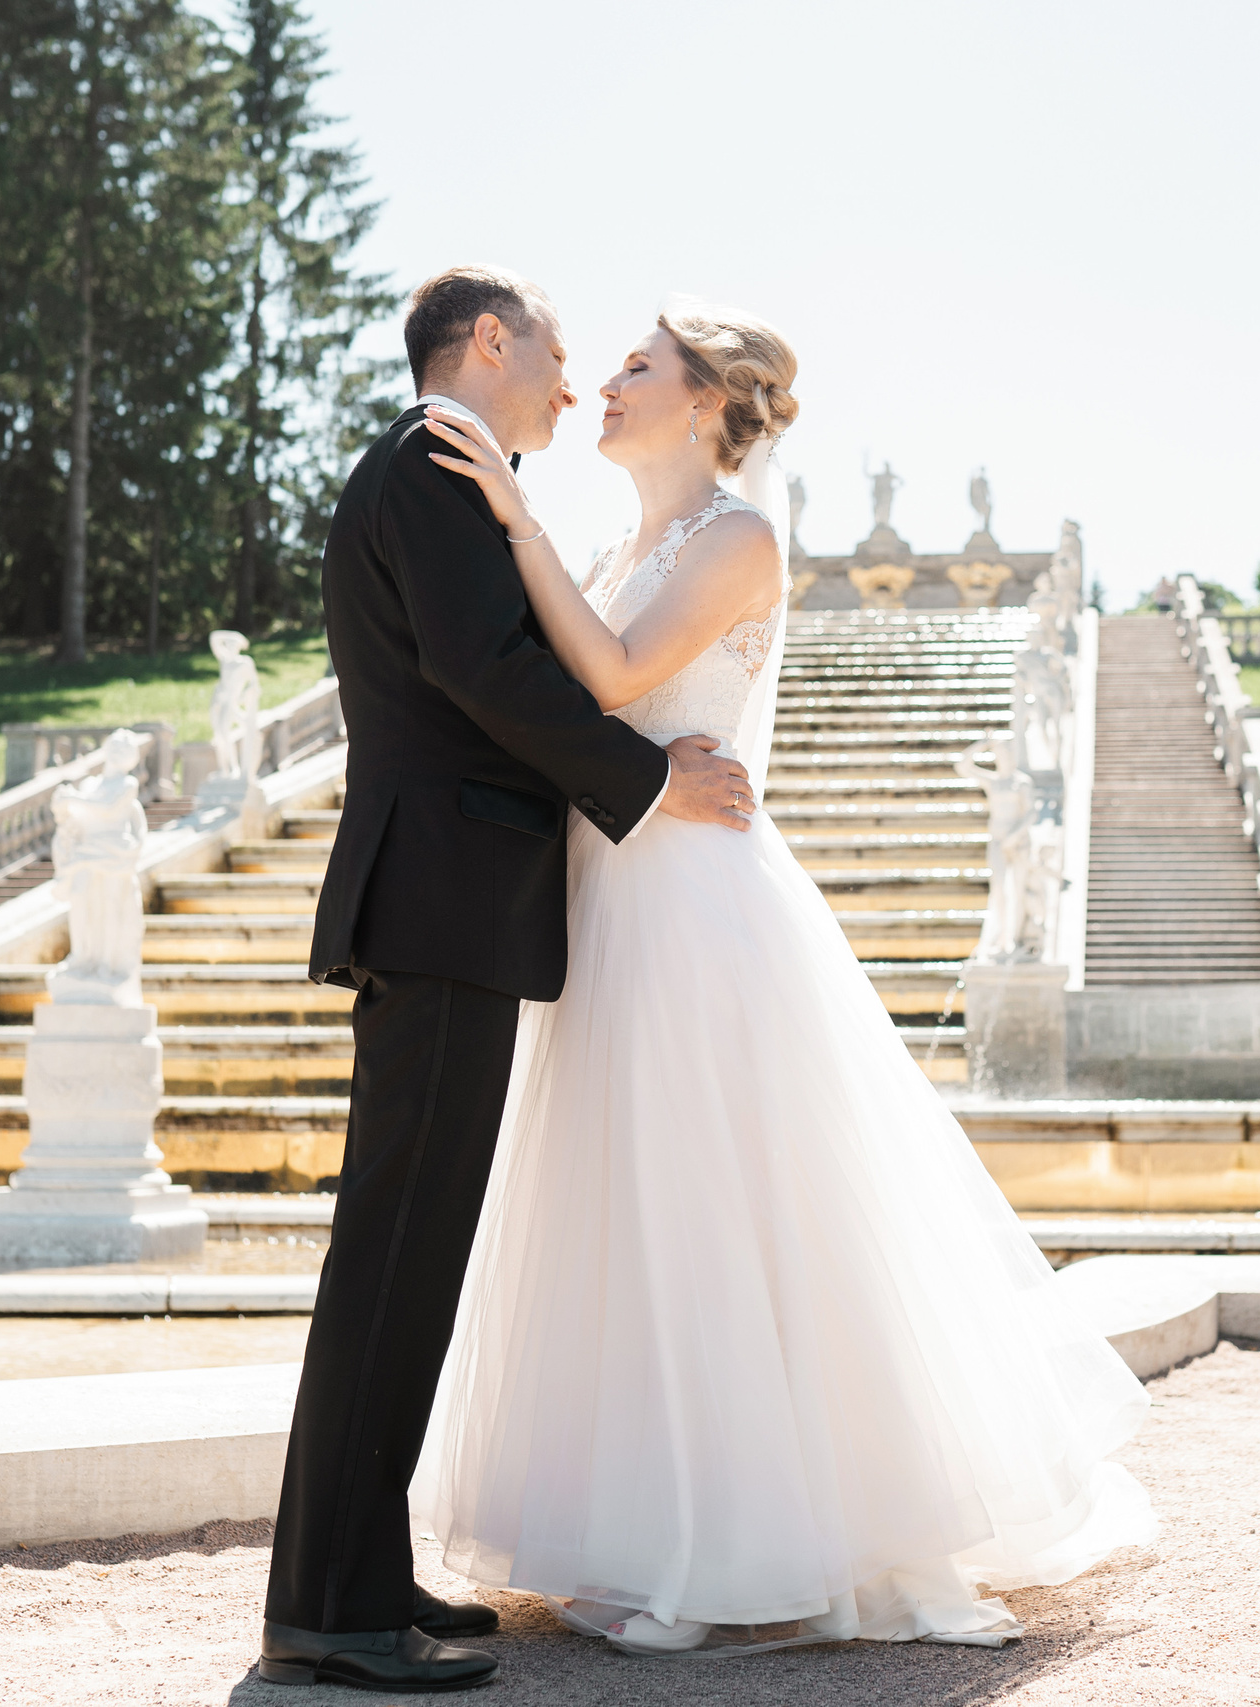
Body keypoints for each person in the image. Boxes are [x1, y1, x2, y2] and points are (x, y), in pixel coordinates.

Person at [406, 300, 1154, 1661]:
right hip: (610, 891)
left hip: (697, 908)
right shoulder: (616, 542)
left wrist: (509, 521)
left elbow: (625, 671)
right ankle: (650, 1519)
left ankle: (772, 1533)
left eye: (636, 369)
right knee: (624, 1206)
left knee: (718, 1202)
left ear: (707, 402)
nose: (602, 391)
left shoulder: (737, 537)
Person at [260, 266, 754, 1694]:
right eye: (550, 351)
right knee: (393, 1254)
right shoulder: (433, 459)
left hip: (448, 902)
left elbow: (486, 660)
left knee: (407, 1255)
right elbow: (483, 668)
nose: (564, 380)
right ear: (489, 341)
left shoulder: (442, 467)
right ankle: (329, 1609)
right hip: (440, 903)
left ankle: (355, 1575)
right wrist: (650, 781)